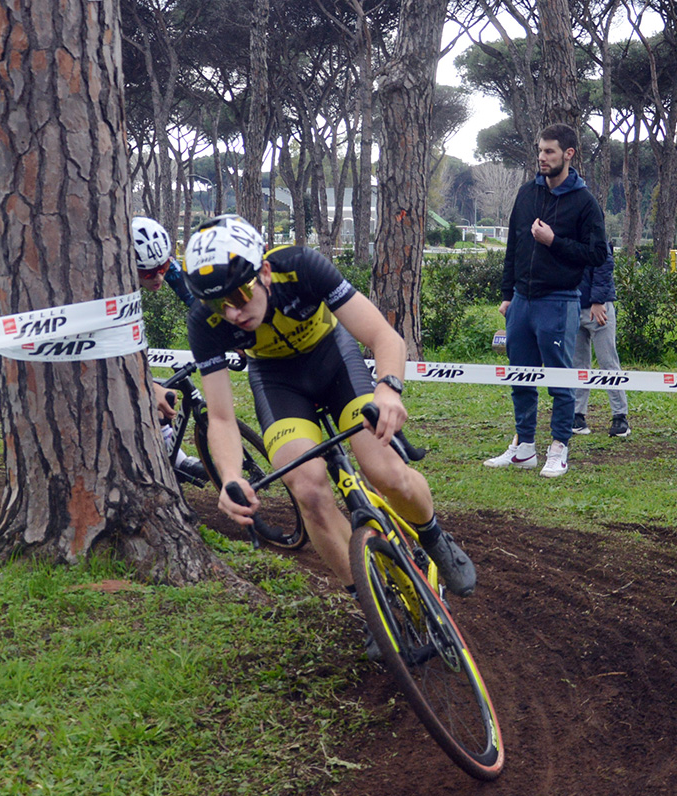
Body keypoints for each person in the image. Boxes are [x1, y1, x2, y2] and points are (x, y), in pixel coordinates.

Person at [183, 214, 476, 607]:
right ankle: (368, 600)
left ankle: (434, 535)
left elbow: (382, 336)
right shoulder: (205, 323)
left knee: (385, 471)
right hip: (278, 381)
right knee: (307, 488)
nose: (232, 313)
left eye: (238, 296)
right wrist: (231, 475)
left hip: (335, 362)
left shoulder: (301, 267)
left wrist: (388, 388)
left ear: (265, 272)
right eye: (217, 303)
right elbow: (219, 417)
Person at [483, 123, 607, 478]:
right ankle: (523, 448)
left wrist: (554, 241)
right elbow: (514, 247)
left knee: (559, 380)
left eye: (549, 151)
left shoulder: (584, 202)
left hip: (560, 300)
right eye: (540, 150)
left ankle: (558, 448)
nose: (542, 157)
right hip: (522, 301)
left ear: (568, 154)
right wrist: (508, 295)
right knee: (520, 376)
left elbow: (598, 253)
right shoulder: (526, 194)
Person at [131, 215, 206, 482]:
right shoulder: (116, 283)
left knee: (164, 395)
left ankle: (175, 459)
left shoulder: (160, 264)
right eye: (149, 273)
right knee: (156, 396)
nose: (159, 277)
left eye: (163, 266)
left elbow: (195, 300)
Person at [573, 243, 630, 437]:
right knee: (578, 364)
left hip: (599, 308)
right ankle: (577, 415)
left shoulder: (595, 231)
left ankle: (620, 416)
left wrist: (597, 301)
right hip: (572, 305)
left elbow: (604, 266)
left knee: (608, 362)